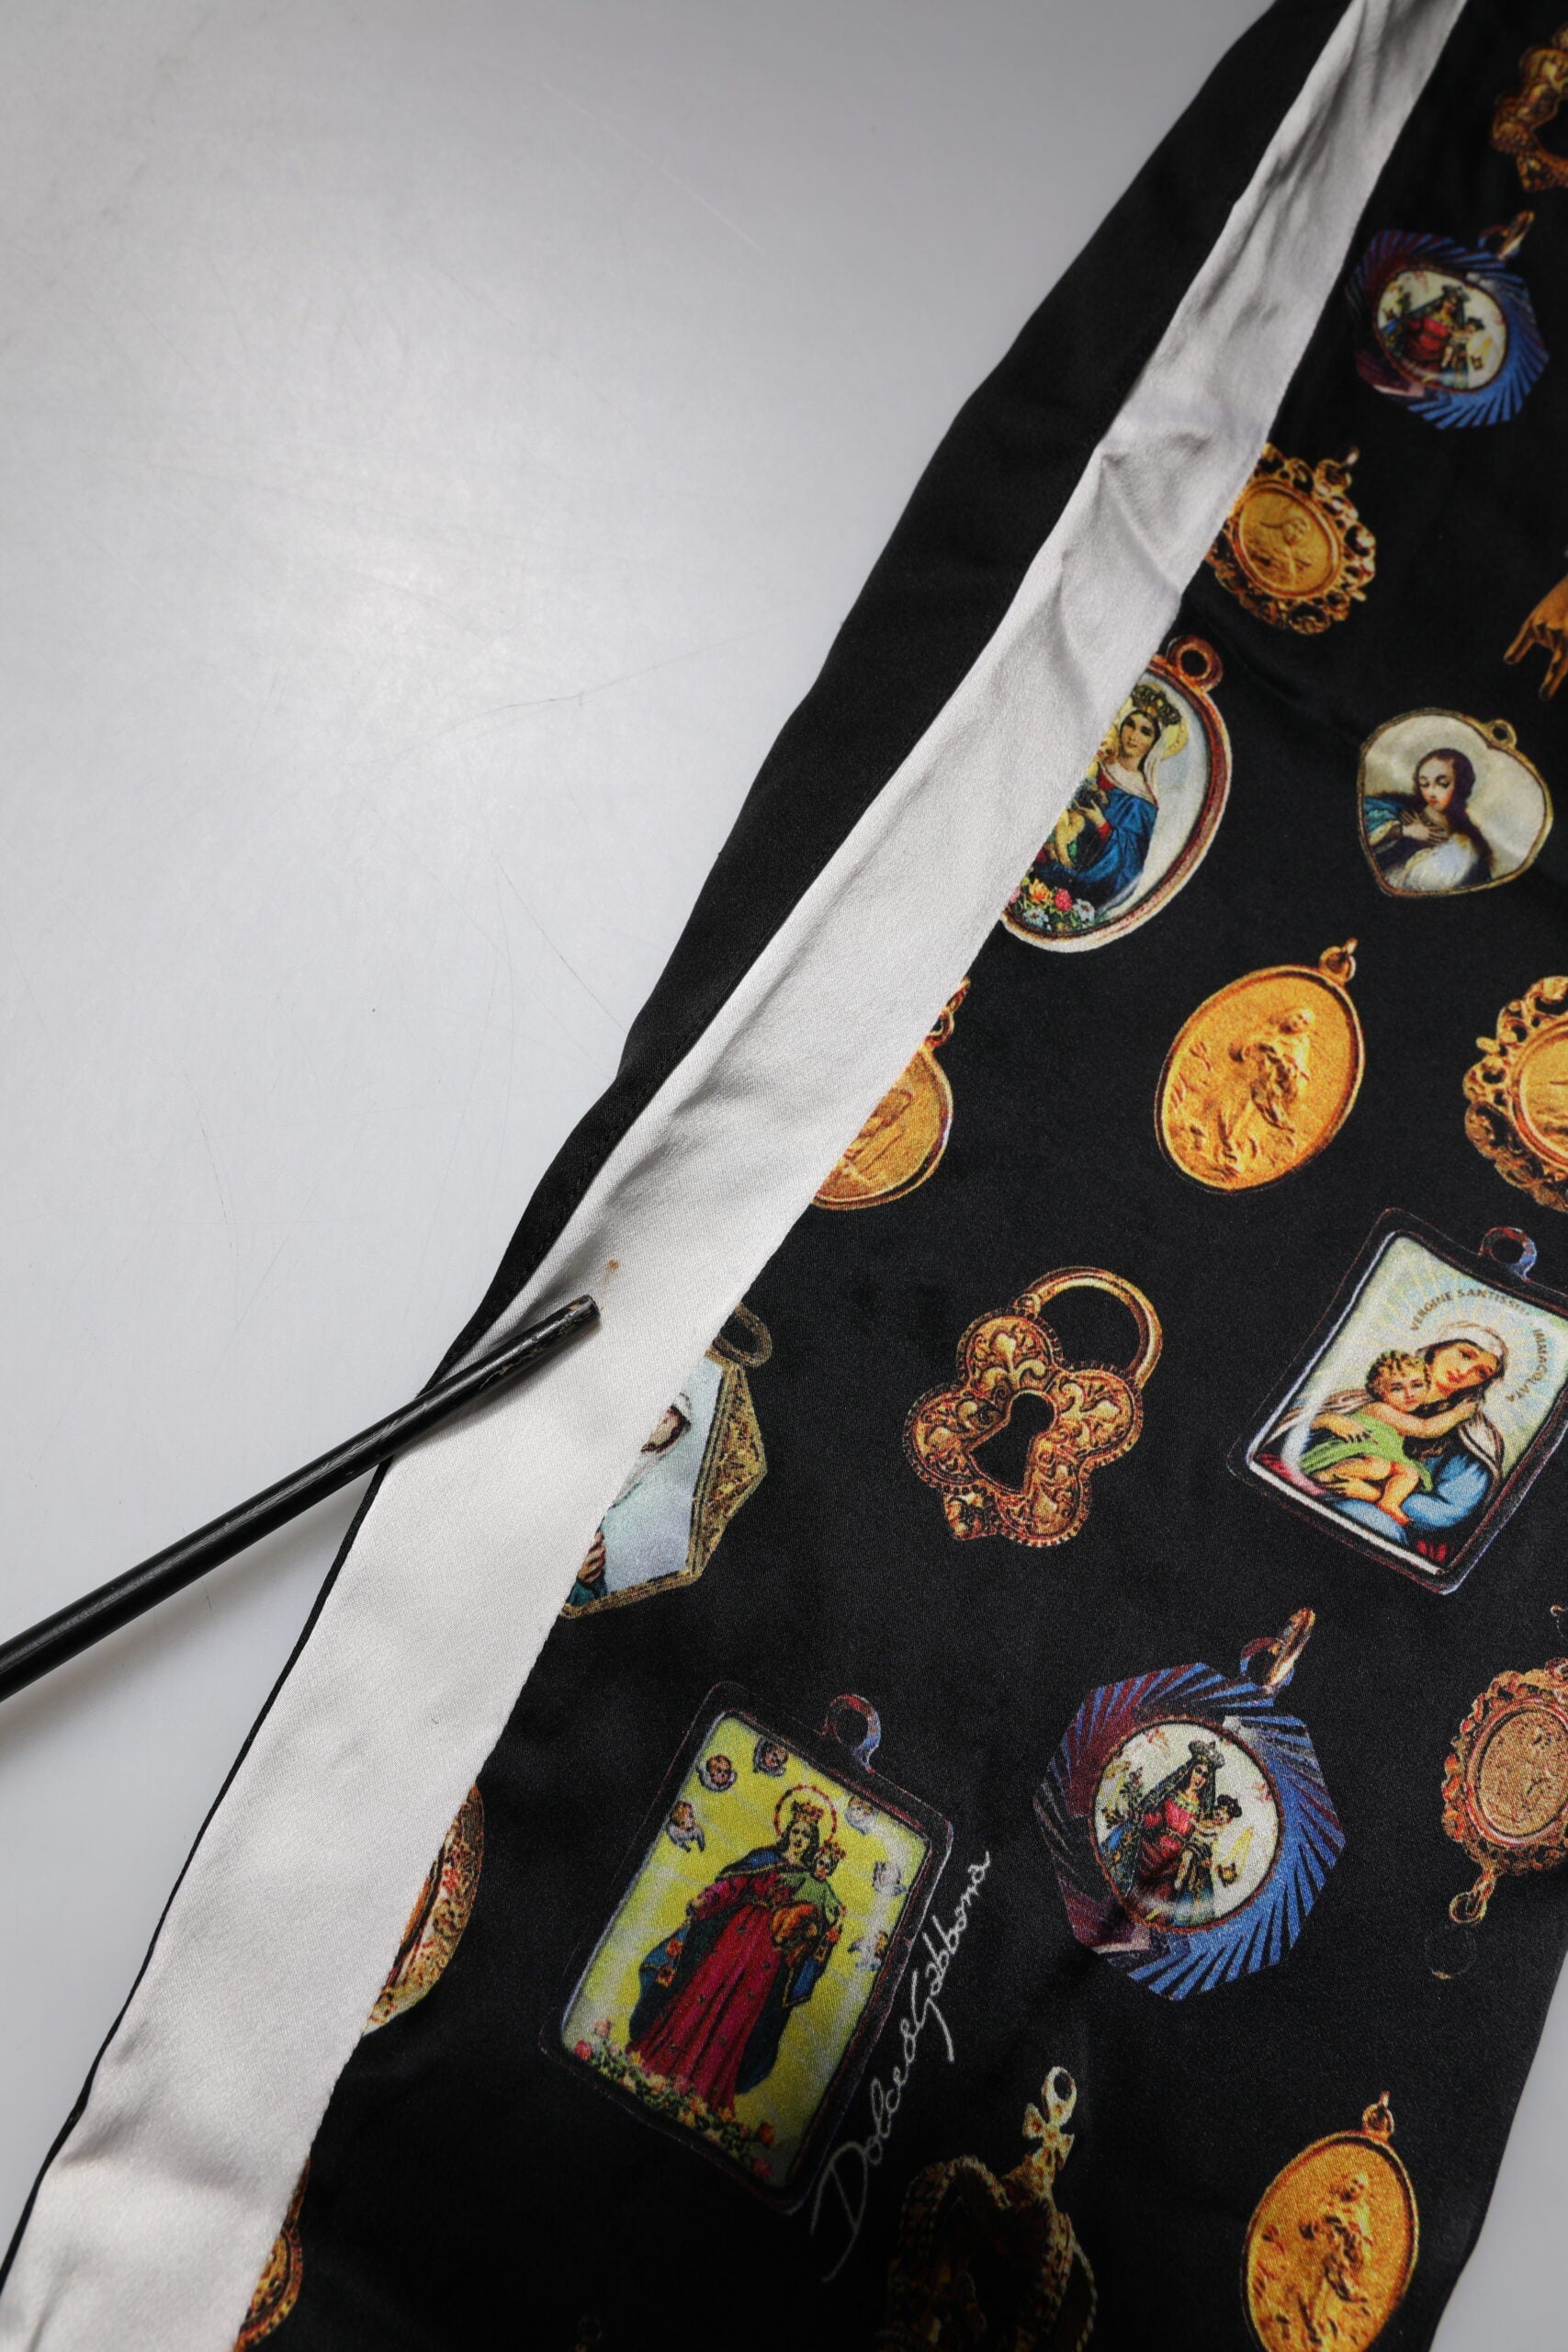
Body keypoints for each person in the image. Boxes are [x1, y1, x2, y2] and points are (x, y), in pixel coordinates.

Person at [626, 1799, 840, 2115]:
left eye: (806, 1835)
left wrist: (820, 1936)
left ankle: (704, 2091)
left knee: (739, 2012)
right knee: (703, 1992)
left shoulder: (812, 1883)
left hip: (769, 1957)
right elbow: (734, 1886)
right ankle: (662, 2064)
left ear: (813, 1843)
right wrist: (706, 1899)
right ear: (787, 1832)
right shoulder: (764, 1859)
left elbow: (814, 1928)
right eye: (796, 1831)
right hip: (736, 1937)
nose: (799, 1838)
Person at [1269, 1328, 1506, 1560]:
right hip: (1321, 1484)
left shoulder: (1475, 1439)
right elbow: (1295, 1442)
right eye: (1465, 1354)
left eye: (1481, 1372)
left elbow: (1449, 1508)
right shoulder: (1370, 1401)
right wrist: (1326, 1421)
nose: (1464, 1371)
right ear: (1437, 1349)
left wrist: (1372, 1495)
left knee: (1371, 1514)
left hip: (1382, 1519)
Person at [1013, 678, 1184, 925]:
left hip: (1083, 879)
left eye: (1145, 732)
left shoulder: (1142, 802)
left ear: (1153, 745)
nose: (1133, 736)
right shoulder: (1096, 762)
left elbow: (1129, 870)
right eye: (1130, 725)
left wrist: (1101, 823)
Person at [1299, 1348, 1483, 1524]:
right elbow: (1425, 1428)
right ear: (1381, 1392)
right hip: (1351, 1450)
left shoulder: (1406, 1414)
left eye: (1417, 1385)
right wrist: (1457, 1414)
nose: (1409, 1394)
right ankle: (1327, 1474)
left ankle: (1389, 1503)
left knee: (1409, 1472)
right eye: (1396, 1388)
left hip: (1379, 1455)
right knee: (1378, 1467)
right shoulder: (1381, 1410)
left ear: (1427, 1386)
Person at [1365, 746, 1492, 892]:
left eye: (1442, 784)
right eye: (1424, 784)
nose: (1431, 792)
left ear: (1461, 785)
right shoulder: (1400, 811)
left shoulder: (1469, 845)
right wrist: (1404, 832)